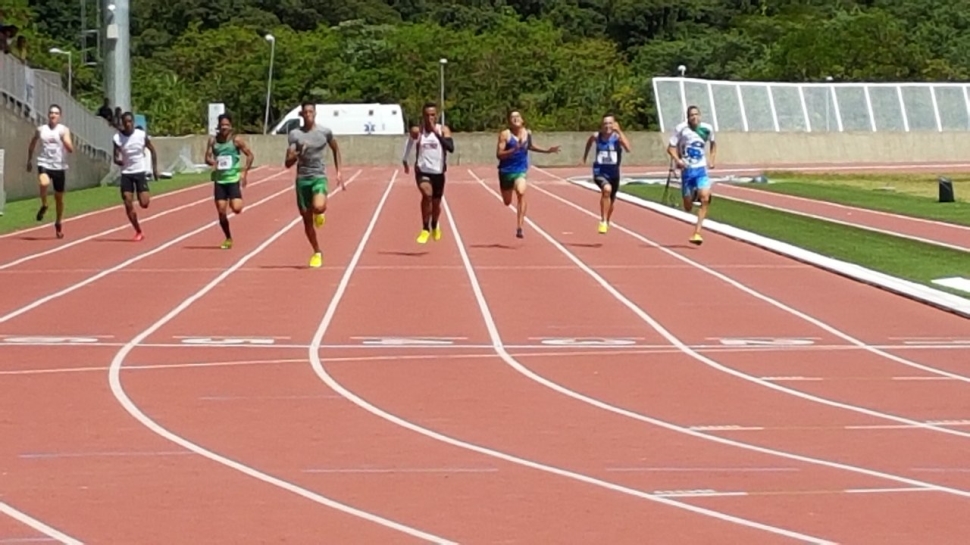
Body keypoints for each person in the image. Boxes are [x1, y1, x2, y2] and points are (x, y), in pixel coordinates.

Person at [285, 101, 344, 268]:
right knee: (306, 221)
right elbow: (287, 163)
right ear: (302, 115)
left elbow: (335, 148)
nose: (309, 114)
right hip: (302, 179)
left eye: (311, 111)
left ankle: (320, 212)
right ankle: (317, 251)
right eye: (306, 112)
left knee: (318, 207)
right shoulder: (295, 135)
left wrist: (339, 171)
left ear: (315, 113)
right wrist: (297, 153)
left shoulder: (324, 132)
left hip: (318, 176)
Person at [495, 110, 560, 238]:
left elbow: (530, 146)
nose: (515, 119)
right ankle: (510, 188)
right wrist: (514, 149)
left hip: (520, 170)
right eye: (512, 117)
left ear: (522, 120)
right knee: (507, 202)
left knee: (521, 192)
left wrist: (547, 151)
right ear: (509, 121)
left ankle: (520, 227)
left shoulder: (527, 133)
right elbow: (499, 155)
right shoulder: (505, 135)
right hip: (506, 172)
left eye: (517, 116)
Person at [667, 105, 716, 245]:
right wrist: (678, 160)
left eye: (696, 114)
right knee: (688, 207)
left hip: (701, 170)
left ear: (700, 115)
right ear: (687, 118)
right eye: (691, 115)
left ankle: (697, 233)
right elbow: (670, 148)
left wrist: (712, 159)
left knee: (705, 198)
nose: (694, 117)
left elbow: (713, 144)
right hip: (687, 171)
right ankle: (693, 194)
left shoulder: (707, 129)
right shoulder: (681, 129)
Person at [204, 113, 254, 249]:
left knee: (237, 208)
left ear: (231, 126)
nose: (224, 127)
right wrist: (212, 161)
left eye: (227, 125)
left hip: (232, 179)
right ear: (218, 126)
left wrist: (244, 172)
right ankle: (228, 238)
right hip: (219, 180)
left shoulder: (236, 140)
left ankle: (235, 202)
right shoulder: (213, 141)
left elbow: (250, 155)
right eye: (222, 125)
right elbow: (207, 158)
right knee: (221, 210)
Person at [26, 104, 74, 239]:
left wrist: (65, 141)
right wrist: (29, 160)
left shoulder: (64, 130)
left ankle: (58, 223)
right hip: (44, 162)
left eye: (56, 113)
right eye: (51, 113)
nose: (53, 115)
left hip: (59, 166)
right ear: (48, 115)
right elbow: (32, 144)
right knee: (43, 181)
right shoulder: (41, 129)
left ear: (60, 116)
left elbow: (71, 149)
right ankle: (45, 204)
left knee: (59, 198)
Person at [409, 103, 454, 244]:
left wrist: (436, 132)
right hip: (423, 171)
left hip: (438, 173)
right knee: (426, 194)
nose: (430, 118)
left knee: (436, 204)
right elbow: (409, 141)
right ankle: (425, 228)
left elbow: (450, 148)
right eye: (427, 115)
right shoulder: (419, 131)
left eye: (433, 115)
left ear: (437, 115)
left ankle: (434, 224)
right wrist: (405, 159)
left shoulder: (443, 130)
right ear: (423, 116)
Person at [113, 112, 160, 241]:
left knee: (144, 203)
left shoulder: (141, 135)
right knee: (127, 202)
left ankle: (142, 193)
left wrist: (155, 169)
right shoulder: (118, 138)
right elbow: (115, 156)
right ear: (122, 123)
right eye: (125, 122)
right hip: (126, 173)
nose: (128, 124)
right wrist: (119, 161)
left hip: (139, 172)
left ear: (133, 122)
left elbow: (152, 150)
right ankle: (138, 230)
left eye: (130, 122)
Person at [583, 114, 631, 234]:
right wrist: (585, 156)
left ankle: (607, 220)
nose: (607, 126)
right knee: (607, 190)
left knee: (611, 199)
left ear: (614, 124)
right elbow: (589, 142)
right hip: (600, 172)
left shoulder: (617, 138)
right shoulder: (596, 136)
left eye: (610, 123)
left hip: (614, 173)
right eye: (605, 123)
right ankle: (603, 220)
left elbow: (628, 148)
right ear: (602, 125)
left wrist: (619, 131)